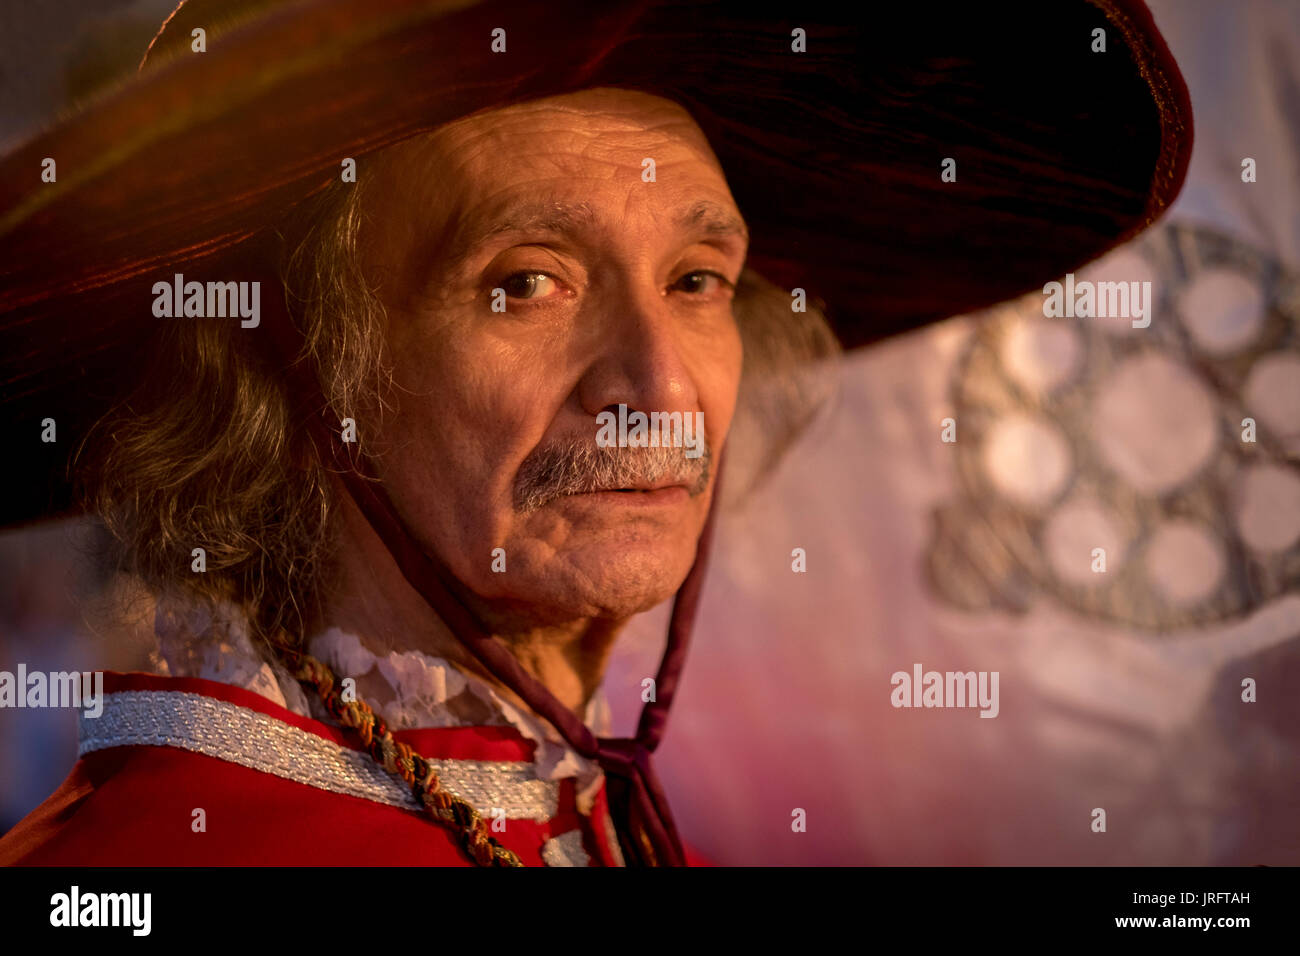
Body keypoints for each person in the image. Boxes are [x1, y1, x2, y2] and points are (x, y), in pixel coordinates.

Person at [0, 0, 1191, 865]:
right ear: (300, 371)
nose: (659, 387)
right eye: (526, 282)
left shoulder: (611, 828)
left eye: (697, 279)